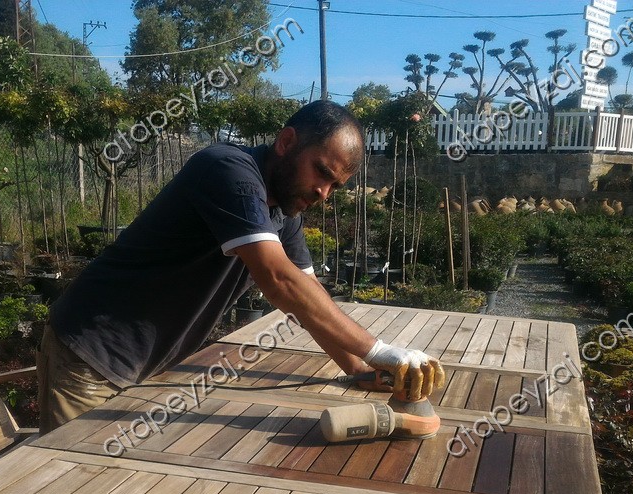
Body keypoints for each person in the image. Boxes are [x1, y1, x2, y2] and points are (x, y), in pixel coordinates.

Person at [38, 100, 444, 434]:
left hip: (146, 364)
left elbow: (308, 296)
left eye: (335, 186)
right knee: (71, 485)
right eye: (322, 172)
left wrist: (358, 368)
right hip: (88, 357)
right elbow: (279, 280)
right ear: (286, 142)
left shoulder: (285, 214)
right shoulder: (226, 170)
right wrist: (381, 351)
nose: (323, 192)